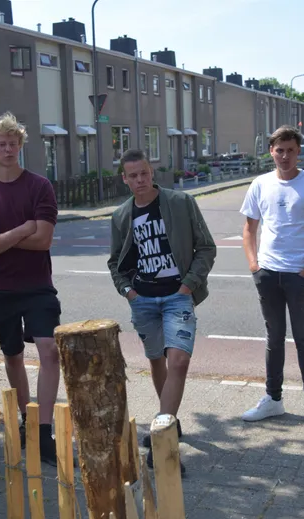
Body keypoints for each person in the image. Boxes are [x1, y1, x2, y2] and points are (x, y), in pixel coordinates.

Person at [107, 148, 216, 473]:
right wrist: (128, 292)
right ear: (125, 179)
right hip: (143, 300)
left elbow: (206, 247)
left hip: (178, 297)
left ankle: (162, 439)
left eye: (144, 173)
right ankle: (169, 418)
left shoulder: (180, 203)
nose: (140, 180)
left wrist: (187, 285)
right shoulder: (121, 216)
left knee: (178, 361)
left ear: (151, 173)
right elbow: (115, 262)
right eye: (132, 175)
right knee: (156, 359)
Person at [0, 112, 61, 466]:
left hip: (37, 284)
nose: (8, 149)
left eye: (13, 143)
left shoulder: (39, 186)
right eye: (1, 144)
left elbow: (44, 240)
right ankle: (28, 419)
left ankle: (45, 429)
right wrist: (22, 229)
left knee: (49, 350)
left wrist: (2, 239)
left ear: (21, 146)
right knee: (12, 356)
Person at [239, 125, 304, 429]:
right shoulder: (260, 184)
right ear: (271, 151)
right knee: (274, 338)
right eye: (279, 150)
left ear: (299, 152)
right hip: (268, 273)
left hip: (300, 275)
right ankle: (273, 399)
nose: (284, 156)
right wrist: (255, 266)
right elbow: (249, 230)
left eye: (290, 150)